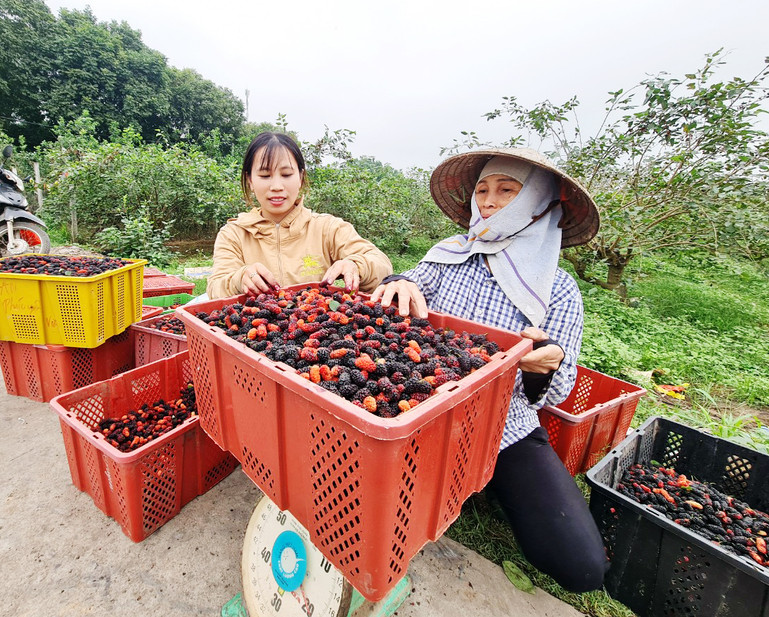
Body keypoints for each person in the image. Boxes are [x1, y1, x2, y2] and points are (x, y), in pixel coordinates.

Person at [370, 148, 607, 593]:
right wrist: (396, 282)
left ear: (537, 201)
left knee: (582, 567)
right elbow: (410, 284)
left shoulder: (558, 289)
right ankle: (452, 479)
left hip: (504, 425)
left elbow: (558, 391)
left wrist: (542, 366)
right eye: (481, 190)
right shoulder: (449, 255)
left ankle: (486, 478)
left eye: (506, 190)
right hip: (424, 411)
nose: (489, 201)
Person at [206, 132, 392, 299]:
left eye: (286, 174)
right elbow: (216, 288)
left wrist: (356, 265)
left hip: (313, 325)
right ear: (250, 180)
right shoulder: (234, 234)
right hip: (252, 326)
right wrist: (240, 279)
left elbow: (382, 266)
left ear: (301, 177)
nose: (276, 186)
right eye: (265, 175)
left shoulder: (327, 228)